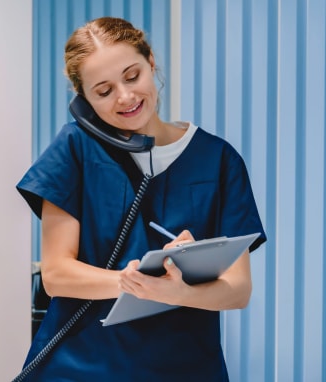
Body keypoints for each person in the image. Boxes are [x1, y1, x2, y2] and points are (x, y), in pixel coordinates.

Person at [16, 16, 266, 381]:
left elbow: (238, 289)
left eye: (132, 76)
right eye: (103, 91)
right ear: (83, 101)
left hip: (184, 367)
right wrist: (133, 281)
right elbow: (56, 274)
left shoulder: (218, 159)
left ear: (151, 61)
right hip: (80, 367)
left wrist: (178, 289)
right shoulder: (74, 149)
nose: (126, 97)